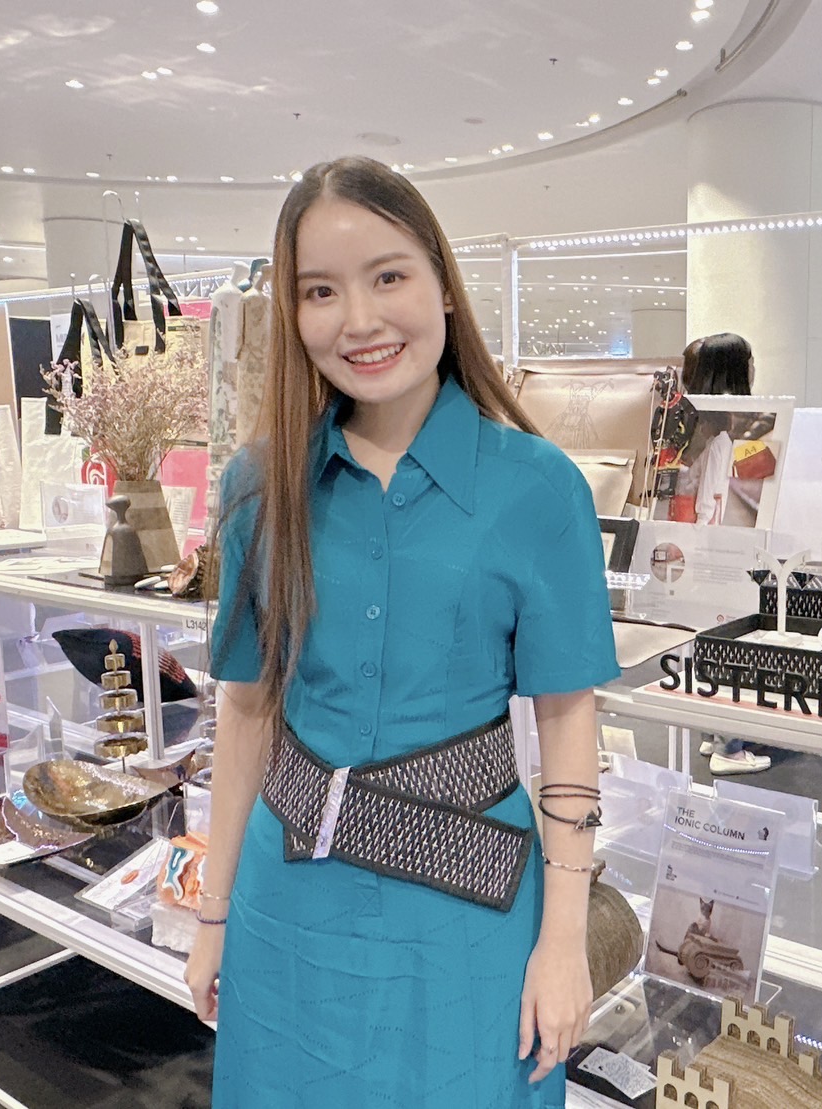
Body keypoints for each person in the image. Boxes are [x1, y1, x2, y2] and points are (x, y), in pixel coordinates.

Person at [185, 156, 619, 1108]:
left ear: (443, 283)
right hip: (287, 907)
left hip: (467, 917)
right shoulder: (261, 486)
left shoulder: (538, 488)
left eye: (388, 276)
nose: (360, 319)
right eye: (320, 291)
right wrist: (213, 913)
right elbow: (247, 711)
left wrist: (563, 941)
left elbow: (567, 720)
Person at [680, 333, 770, 775]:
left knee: (707, 636)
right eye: (749, 360)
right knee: (731, 638)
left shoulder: (697, 427)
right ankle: (729, 747)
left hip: (699, 544)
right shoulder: (721, 434)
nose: (754, 367)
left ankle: (714, 731)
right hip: (719, 546)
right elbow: (713, 496)